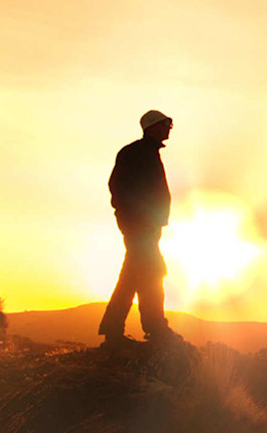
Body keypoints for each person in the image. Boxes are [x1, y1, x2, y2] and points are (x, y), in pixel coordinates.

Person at [98, 110, 182, 346]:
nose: (169, 129)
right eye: (166, 124)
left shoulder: (144, 153)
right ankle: (155, 328)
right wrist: (139, 217)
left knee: (133, 275)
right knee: (152, 272)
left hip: (145, 226)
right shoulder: (137, 153)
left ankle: (113, 329)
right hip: (140, 226)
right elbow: (118, 187)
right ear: (153, 126)